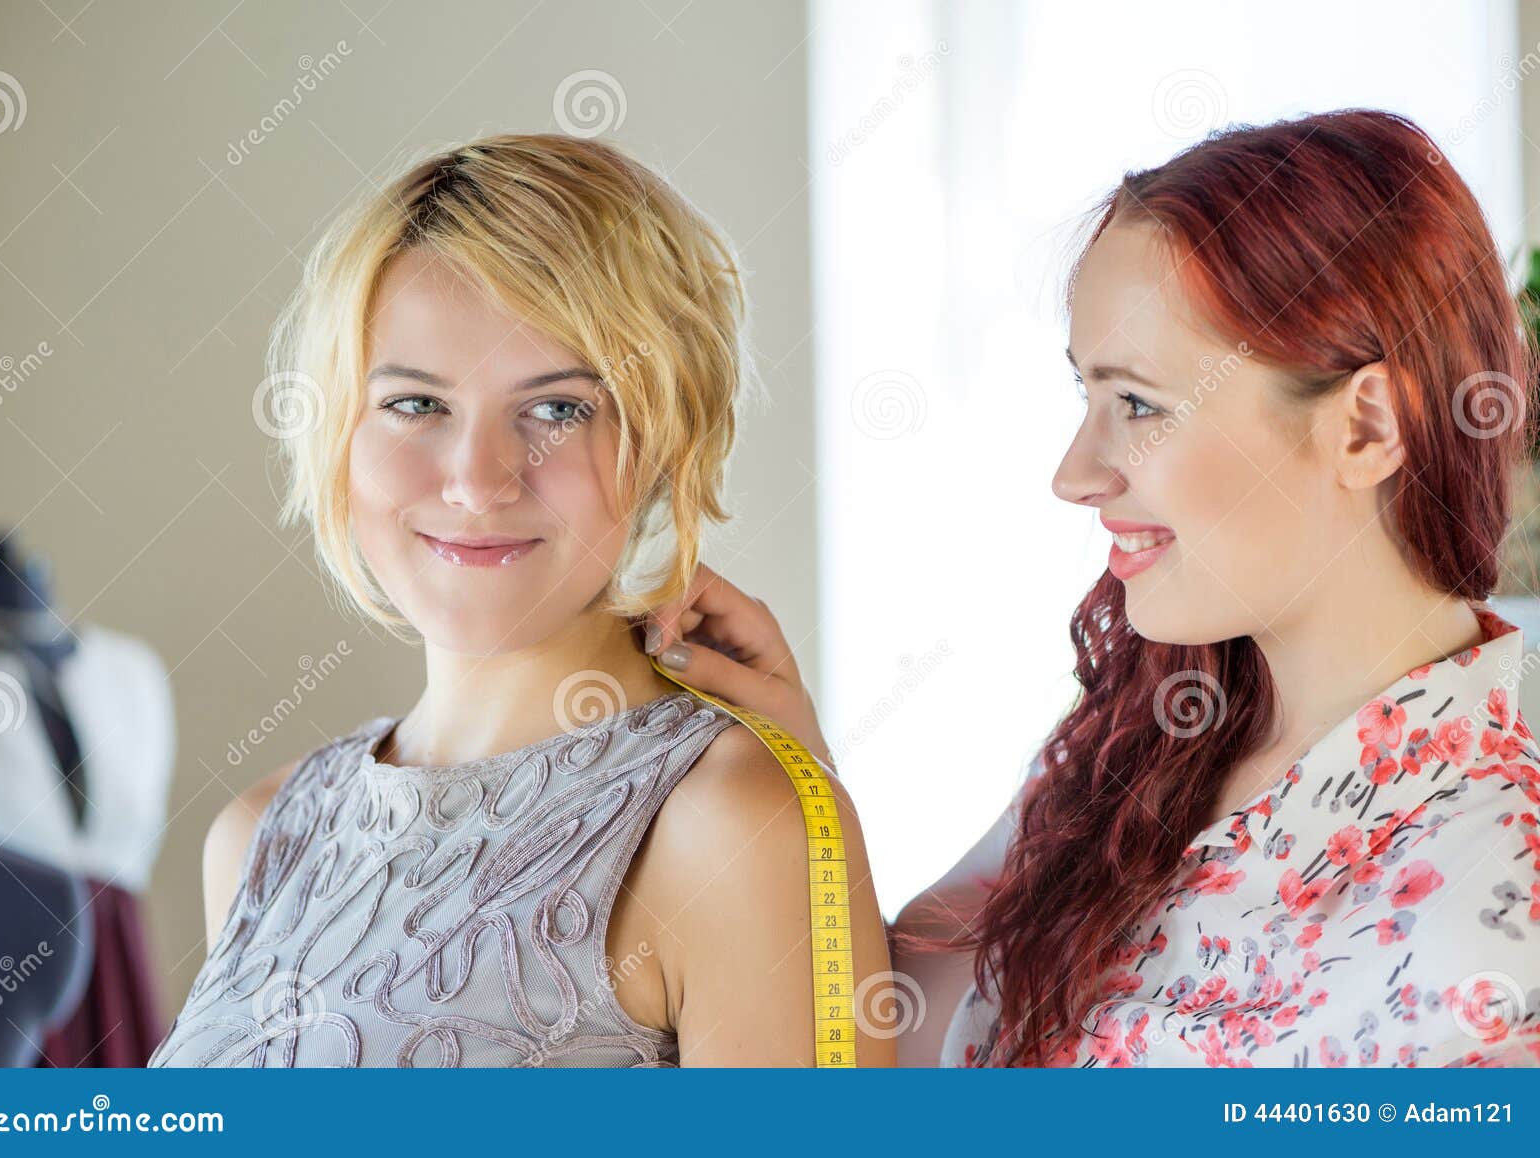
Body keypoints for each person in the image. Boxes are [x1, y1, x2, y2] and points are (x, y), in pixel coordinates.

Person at [642, 109, 1540, 1067]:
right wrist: (800, 773)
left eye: (1139, 404)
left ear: (1368, 428)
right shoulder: (1142, 738)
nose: (1074, 475)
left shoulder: (1497, 919)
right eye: (1089, 396)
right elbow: (888, 1043)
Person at [149, 134, 893, 1068]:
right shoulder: (263, 834)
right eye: (416, 404)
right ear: (339, 427)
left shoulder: (732, 824)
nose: (477, 481)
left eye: (558, 409)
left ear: (665, 437)